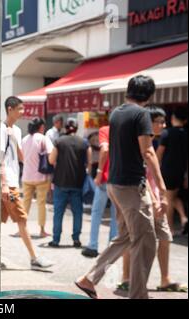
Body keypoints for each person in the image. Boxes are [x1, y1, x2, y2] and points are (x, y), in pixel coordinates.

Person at [76, 75, 168, 299]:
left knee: (125, 236)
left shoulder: (117, 112)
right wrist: (162, 189)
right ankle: (138, 295)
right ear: (149, 95)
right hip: (130, 187)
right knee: (144, 241)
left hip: (114, 185)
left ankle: (89, 278)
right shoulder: (142, 114)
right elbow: (147, 151)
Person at [117, 106, 187, 294]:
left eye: (164, 122)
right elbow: (143, 175)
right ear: (149, 122)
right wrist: (156, 197)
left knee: (164, 237)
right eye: (159, 122)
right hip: (141, 195)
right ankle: (126, 278)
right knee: (132, 238)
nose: (163, 126)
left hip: (156, 197)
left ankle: (165, 279)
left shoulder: (158, 142)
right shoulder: (143, 144)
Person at [1, 97, 54, 270]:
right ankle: (34, 258)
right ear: (10, 109)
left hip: (14, 180)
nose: (23, 112)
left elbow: (20, 156)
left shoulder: (15, 130)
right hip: (8, 183)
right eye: (20, 109)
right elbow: (0, 160)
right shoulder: (0, 129)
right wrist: (4, 184)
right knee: (22, 219)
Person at [48, 118, 92, 248]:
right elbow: (89, 163)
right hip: (78, 182)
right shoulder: (84, 143)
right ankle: (76, 239)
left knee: (58, 212)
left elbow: (51, 160)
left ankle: (56, 240)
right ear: (77, 128)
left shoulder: (59, 141)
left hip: (60, 182)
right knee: (77, 212)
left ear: (65, 128)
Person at [81, 125, 118, 258]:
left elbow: (105, 149)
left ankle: (92, 245)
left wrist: (99, 171)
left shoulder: (106, 130)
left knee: (97, 212)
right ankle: (112, 247)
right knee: (116, 214)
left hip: (106, 177)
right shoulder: (128, 129)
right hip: (120, 178)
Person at [156, 108, 188, 236]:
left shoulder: (167, 133)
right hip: (180, 171)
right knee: (173, 197)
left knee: (167, 200)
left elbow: (159, 153)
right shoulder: (186, 134)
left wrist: (153, 169)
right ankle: (184, 218)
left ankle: (169, 229)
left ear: (172, 118)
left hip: (167, 170)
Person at [21, 118, 54, 238]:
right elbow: (51, 155)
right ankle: (42, 230)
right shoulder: (43, 138)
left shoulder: (24, 139)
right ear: (40, 127)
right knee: (41, 203)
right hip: (41, 176)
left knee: (25, 203)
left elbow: (21, 156)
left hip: (26, 176)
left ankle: (21, 228)